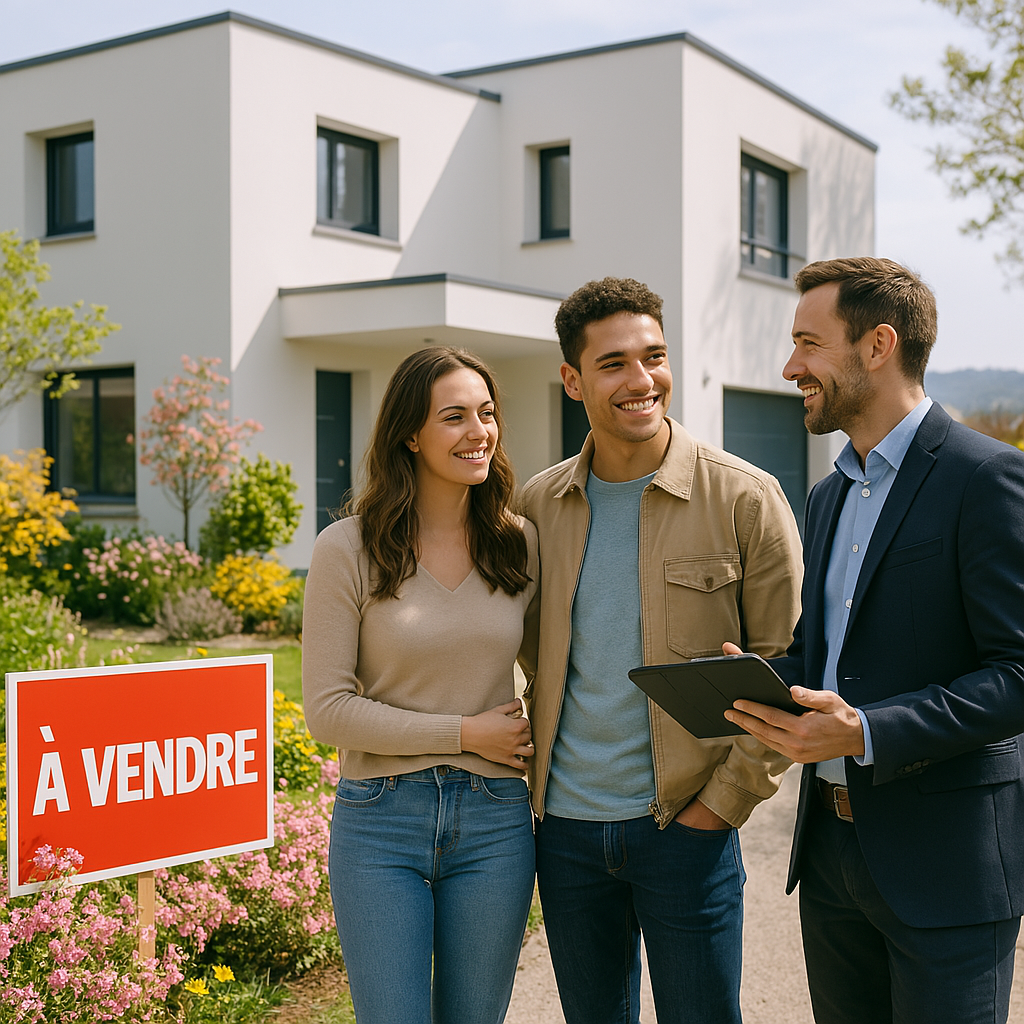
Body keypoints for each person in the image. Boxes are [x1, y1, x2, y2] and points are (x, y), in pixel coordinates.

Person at [724, 257, 1024, 1024]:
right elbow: (828, 657)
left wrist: (866, 730)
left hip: (947, 868)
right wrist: (756, 678)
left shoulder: (987, 477)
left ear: (877, 345)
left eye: (807, 344)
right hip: (831, 861)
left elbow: (1016, 674)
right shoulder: (827, 495)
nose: (792, 367)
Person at [518, 277, 804, 1024]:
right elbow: (521, 650)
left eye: (655, 356)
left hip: (688, 826)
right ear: (572, 379)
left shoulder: (745, 498)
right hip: (568, 833)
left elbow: (788, 666)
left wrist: (721, 805)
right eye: (614, 363)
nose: (642, 380)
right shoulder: (536, 508)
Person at [302, 346, 538, 1024]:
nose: (478, 432)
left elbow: (559, 672)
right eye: (455, 417)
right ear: (411, 433)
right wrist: (465, 734)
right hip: (380, 820)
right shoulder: (346, 548)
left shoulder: (517, 544)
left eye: (487, 414)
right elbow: (327, 711)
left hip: (495, 822)